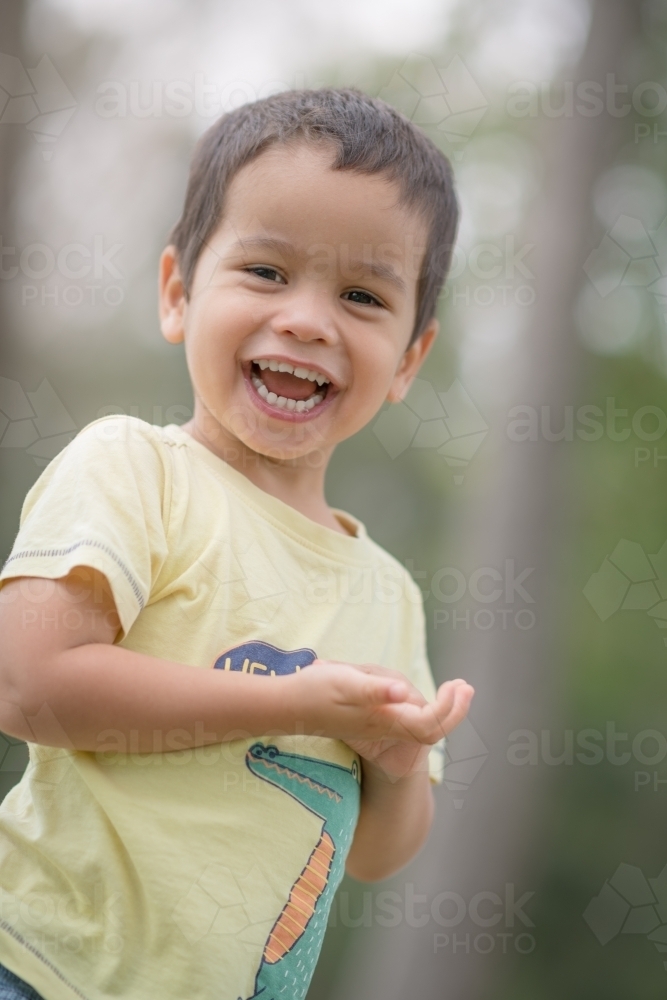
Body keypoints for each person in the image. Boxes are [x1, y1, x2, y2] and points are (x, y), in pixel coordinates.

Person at [0, 88, 474, 1000]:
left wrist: (395, 759)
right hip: (39, 966)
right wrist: (294, 705)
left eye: (362, 295)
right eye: (265, 272)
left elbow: (375, 853)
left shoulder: (387, 593)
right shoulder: (135, 472)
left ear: (410, 357)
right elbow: (30, 685)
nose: (305, 319)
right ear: (179, 293)